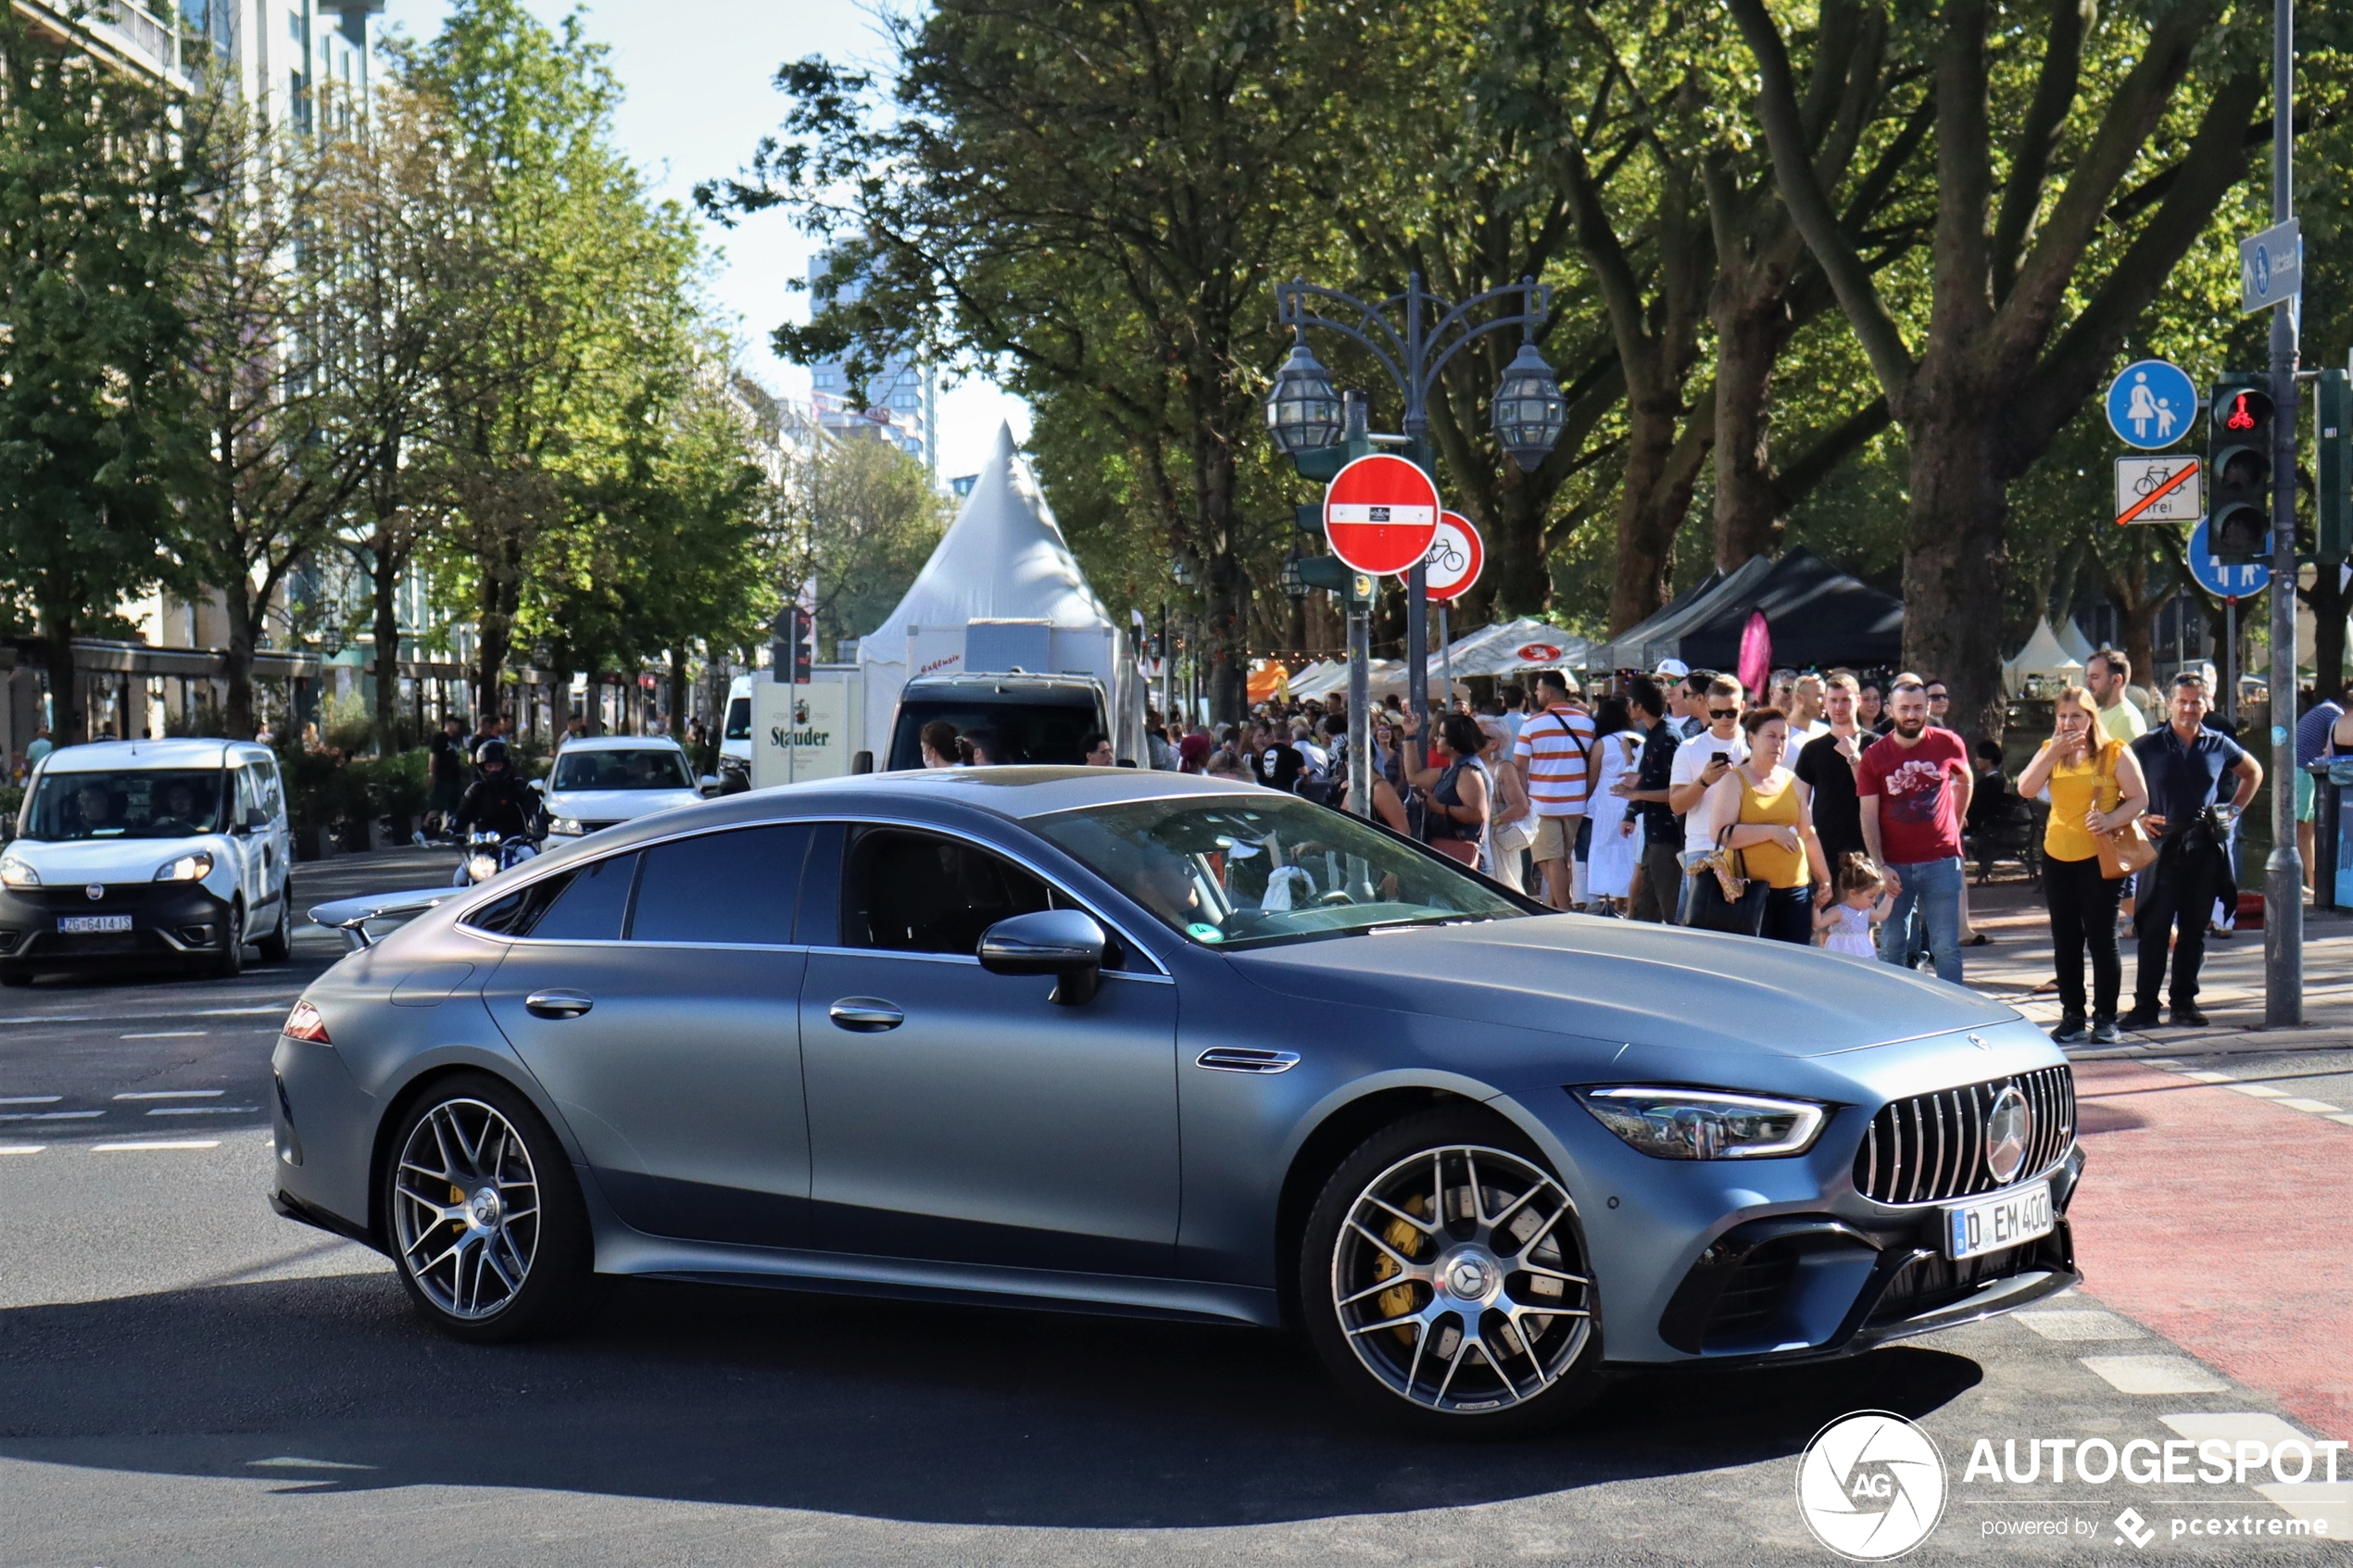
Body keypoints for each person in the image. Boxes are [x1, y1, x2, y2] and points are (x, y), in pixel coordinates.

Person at [2121, 672, 2262, 1029]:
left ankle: (2184, 1003)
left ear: (2207, 704)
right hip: (2161, 846)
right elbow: (2114, 784)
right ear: (2169, 704)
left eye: (2196, 701)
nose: (2189, 708)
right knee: (2153, 928)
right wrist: (2136, 816)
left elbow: (2253, 772)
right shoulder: (2147, 745)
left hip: (2203, 845)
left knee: (2194, 930)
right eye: (2182, 701)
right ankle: (2144, 1007)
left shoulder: (2219, 744)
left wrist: (2232, 810)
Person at [2018, 685, 2150, 1044]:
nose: (2068, 722)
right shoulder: (2051, 751)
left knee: (2101, 938)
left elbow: (2139, 798)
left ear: (2091, 718)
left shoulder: (2114, 752)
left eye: (2076, 715)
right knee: (2066, 939)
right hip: (2057, 854)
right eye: (2062, 715)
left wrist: (2110, 820)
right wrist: (2052, 752)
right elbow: (2026, 788)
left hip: (2098, 857)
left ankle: (2106, 1018)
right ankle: (2072, 1015)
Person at [1857, 676, 1973, 982]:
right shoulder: (1874, 756)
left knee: (1946, 946)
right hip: (1895, 865)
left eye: (1918, 708)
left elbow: (1965, 780)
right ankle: (1895, 1015)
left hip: (1942, 860)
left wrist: (1956, 821)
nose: (1912, 715)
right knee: (1893, 946)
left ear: (1928, 708)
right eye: (1904, 708)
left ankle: (1954, 1015)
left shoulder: (1948, 742)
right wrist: (1880, 865)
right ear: (1890, 710)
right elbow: (1867, 814)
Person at [1702, 708, 1830, 944]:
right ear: (1751, 738)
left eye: (1783, 738)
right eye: (1771, 736)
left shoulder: (1792, 780)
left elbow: (1808, 835)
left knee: (1793, 964)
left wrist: (1824, 879)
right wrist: (1771, 832)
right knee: (1758, 965)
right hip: (1752, 893)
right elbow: (1719, 833)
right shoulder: (1735, 779)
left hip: (1796, 891)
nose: (1778, 744)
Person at [1667, 676, 1748, 922]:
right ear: (1707, 709)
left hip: (1746, 844)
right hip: (1702, 847)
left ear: (1742, 708)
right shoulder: (1690, 748)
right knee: (1696, 926)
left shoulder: (1754, 745)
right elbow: (1677, 805)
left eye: (1731, 712)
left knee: (1745, 924)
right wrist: (1703, 781)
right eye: (1717, 713)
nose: (1724, 719)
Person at [1512, 671, 1595, 909]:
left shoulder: (1532, 725)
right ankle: (1553, 908)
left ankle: (1565, 910)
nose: (1536, 695)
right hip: (1575, 802)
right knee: (1560, 860)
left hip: (1543, 802)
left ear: (1548, 692)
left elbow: (1520, 767)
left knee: (1551, 860)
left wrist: (1522, 800)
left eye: (1538, 690)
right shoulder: (1587, 723)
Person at [1615, 676, 1683, 923]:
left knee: (1671, 910)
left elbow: (1676, 792)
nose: (1628, 706)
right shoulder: (1653, 735)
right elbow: (1647, 779)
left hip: (1668, 837)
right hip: (1653, 835)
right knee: (1646, 910)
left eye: (1631, 701)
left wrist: (1636, 794)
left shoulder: (1669, 738)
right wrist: (1631, 811)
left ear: (1640, 706)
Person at [1793, 672, 1870, 871]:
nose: (1838, 707)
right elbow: (1798, 802)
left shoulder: (1876, 745)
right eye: (1833, 700)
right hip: (1826, 852)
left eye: (1845, 700)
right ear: (1825, 703)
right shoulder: (1812, 750)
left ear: (1858, 701)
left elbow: (1878, 792)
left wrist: (1853, 758)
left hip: (1869, 850)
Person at [1400, 710, 1490, 866]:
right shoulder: (1454, 769)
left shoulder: (1468, 772)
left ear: (1454, 742)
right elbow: (1414, 776)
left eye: (1441, 735)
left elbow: (1478, 814)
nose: (1436, 739)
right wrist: (1410, 735)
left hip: (1461, 860)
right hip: (1449, 855)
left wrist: (1438, 807)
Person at [1582, 696, 1642, 915]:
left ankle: (1608, 899)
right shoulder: (1639, 738)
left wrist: (1584, 801)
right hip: (1632, 802)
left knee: (1604, 850)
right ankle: (1625, 901)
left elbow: (1593, 778)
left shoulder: (1601, 744)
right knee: (1629, 851)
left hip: (1607, 804)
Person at [2295, 681, 2348, 893]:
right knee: (2301, 827)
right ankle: (2301, 881)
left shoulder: (2322, 710)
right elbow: (2333, 748)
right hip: (2304, 772)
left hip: (2298, 770)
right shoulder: (2333, 715)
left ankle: (2312, 882)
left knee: (2307, 829)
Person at [1475, 715, 1532, 889]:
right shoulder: (1470, 766)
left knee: (1504, 886)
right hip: (1479, 838)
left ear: (1494, 743)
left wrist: (1493, 822)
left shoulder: (1504, 768)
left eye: (1478, 735)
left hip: (1497, 840)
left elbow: (1521, 807)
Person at [449, 738, 542, 846]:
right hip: (483, 848)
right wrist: (450, 830)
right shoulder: (476, 790)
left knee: (533, 858)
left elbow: (536, 810)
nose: (494, 770)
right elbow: (461, 814)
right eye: (489, 766)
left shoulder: (520, 787)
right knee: (465, 863)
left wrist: (538, 828)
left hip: (517, 845)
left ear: (506, 765)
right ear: (482, 768)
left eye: (498, 766)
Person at [1816, 853, 1894, 958]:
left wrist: (1891, 895)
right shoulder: (1839, 912)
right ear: (1853, 893)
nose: (1874, 901)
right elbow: (1818, 923)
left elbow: (1882, 914)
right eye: (1870, 897)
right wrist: (1816, 906)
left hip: (1864, 953)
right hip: (1842, 954)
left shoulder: (1865, 912)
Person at [2085, 649, 2147, 746]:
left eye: (2095, 677)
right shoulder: (2097, 712)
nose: (2088, 683)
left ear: (2116, 680)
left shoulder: (2126, 720)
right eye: (2088, 677)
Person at [1788, 673, 1830, 746]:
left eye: (1826, 696)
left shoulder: (1825, 732)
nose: (1826, 702)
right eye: (1820, 696)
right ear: (1800, 698)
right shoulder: (1781, 735)